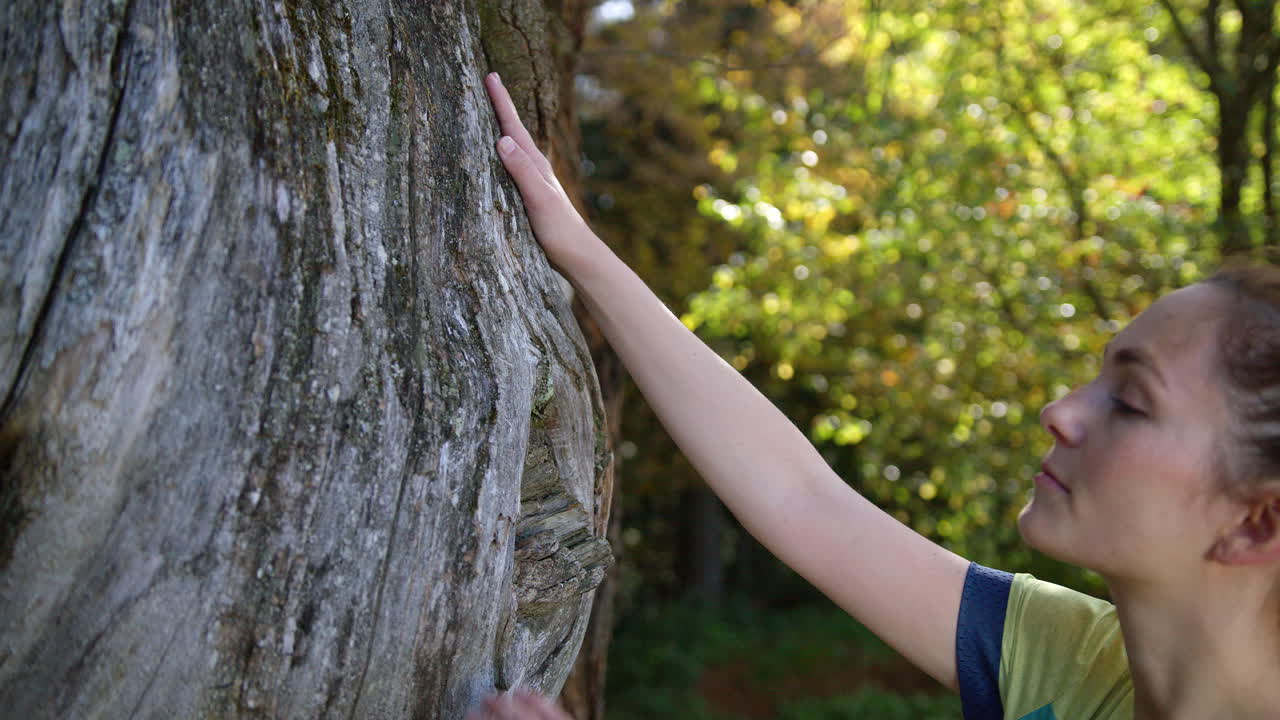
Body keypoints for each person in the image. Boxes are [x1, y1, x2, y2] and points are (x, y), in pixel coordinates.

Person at [468, 72, 1280, 720]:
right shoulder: (1075, 661)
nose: (1061, 412)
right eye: (1099, 375)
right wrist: (575, 246)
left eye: (1131, 401)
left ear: (1257, 521)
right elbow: (801, 499)